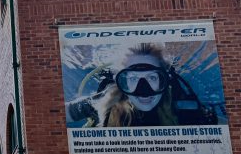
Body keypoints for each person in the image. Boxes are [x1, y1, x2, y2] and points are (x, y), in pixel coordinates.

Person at [67, 43, 218, 128]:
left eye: (152, 77)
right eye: (132, 79)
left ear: (164, 80)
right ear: (122, 83)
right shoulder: (101, 102)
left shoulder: (182, 105)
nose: (143, 90)